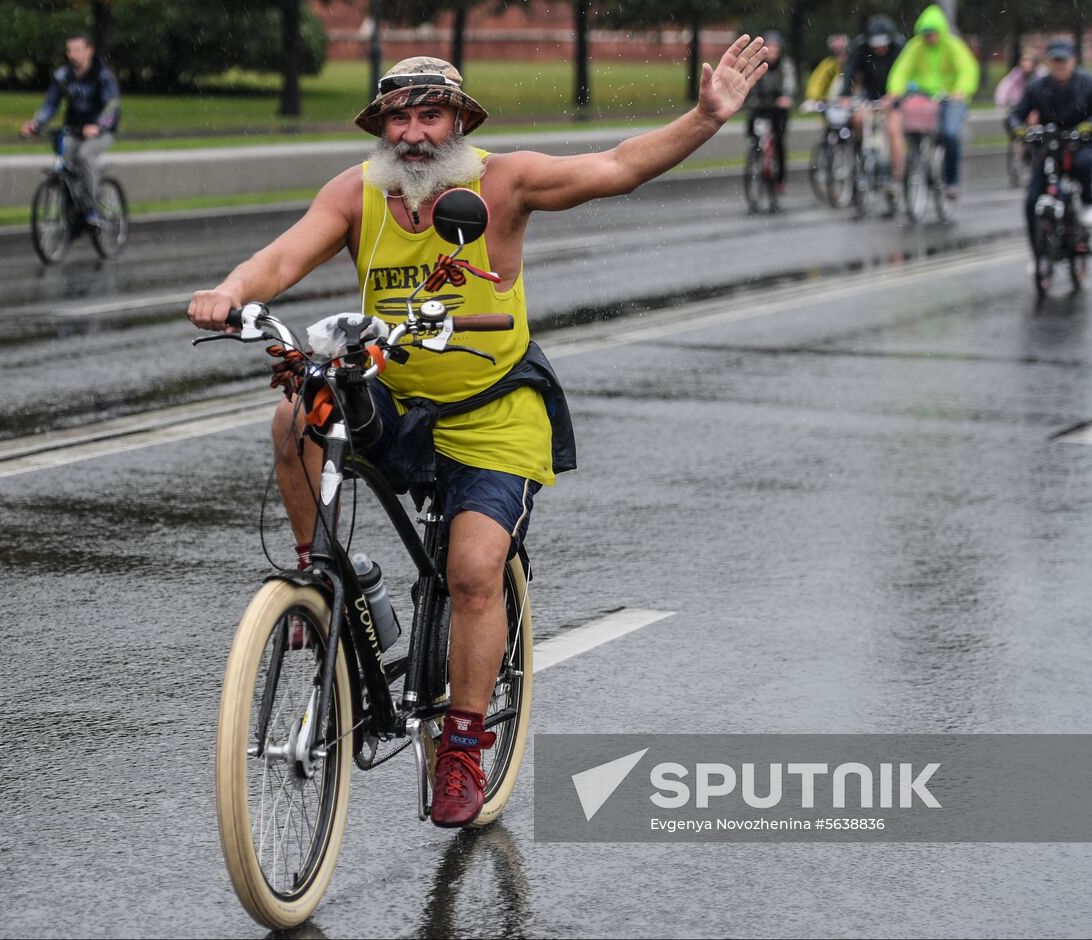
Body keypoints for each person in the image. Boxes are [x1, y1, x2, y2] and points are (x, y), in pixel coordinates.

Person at [186, 44, 769, 827]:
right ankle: (327, 578)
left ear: (459, 122)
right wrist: (230, 293)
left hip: (493, 409)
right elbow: (282, 257)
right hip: (394, 395)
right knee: (296, 416)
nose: (415, 133)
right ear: (382, 127)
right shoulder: (355, 194)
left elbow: (620, 165)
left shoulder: (504, 181)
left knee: (470, 572)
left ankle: (462, 743)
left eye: (431, 115)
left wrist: (704, 118)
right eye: (400, 117)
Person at [1007, 38, 1092, 238]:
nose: (1060, 66)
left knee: (1083, 165)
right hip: (1050, 145)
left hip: (1081, 143)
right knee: (1032, 199)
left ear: (1074, 60)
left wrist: (1089, 127)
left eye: (1064, 61)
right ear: (1049, 62)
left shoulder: (1090, 83)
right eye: (1055, 61)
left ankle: (1088, 201)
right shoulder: (1037, 86)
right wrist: (1019, 130)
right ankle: (1038, 255)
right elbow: (1015, 114)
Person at [21, 33, 121, 223]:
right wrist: (36, 124)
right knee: (67, 163)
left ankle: (91, 210)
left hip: (101, 132)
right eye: (69, 50)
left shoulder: (102, 75)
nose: (72, 55)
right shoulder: (63, 76)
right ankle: (72, 217)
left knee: (84, 155)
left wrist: (98, 126)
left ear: (89, 51)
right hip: (74, 129)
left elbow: (111, 106)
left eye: (77, 50)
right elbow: (50, 105)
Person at [886, 4, 979, 200]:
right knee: (909, 130)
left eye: (932, 33)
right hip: (923, 98)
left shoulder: (953, 46)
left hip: (950, 98)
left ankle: (952, 181)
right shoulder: (915, 46)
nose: (929, 38)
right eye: (925, 34)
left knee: (950, 134)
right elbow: (901, 70)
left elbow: (967, 69)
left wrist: (960, 91)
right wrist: (895, 91)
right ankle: (912, 167)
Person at [840, 14, 906, 207]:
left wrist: (894, 96)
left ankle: (895, 176)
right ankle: (862, 156)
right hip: (870, 95)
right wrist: (846, 95)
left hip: (893, 97)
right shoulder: (860, 48)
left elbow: (904, 73)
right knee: (859, 120)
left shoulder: (899, 49)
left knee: (893, 131)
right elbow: (850, 71)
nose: (879, 48)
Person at [744, 30, 797, 189]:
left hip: (777, 107)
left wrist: (786, 97)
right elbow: (749, 83)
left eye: (776, 48)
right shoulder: (757, 65)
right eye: (770, 48)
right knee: (752, 129)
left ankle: (780, 178)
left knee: (779, 141)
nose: (773, 52)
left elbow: (790, 83)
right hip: (760, 104)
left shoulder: (785, 65)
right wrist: (749, 98)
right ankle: (755, 152)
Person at [802, 33, 848, 109]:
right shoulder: (827, 65)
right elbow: (818, 81)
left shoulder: (853, 64)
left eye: (841, 50)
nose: (839, 53)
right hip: (829, 101)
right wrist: (812, 98)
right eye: (836, 50)